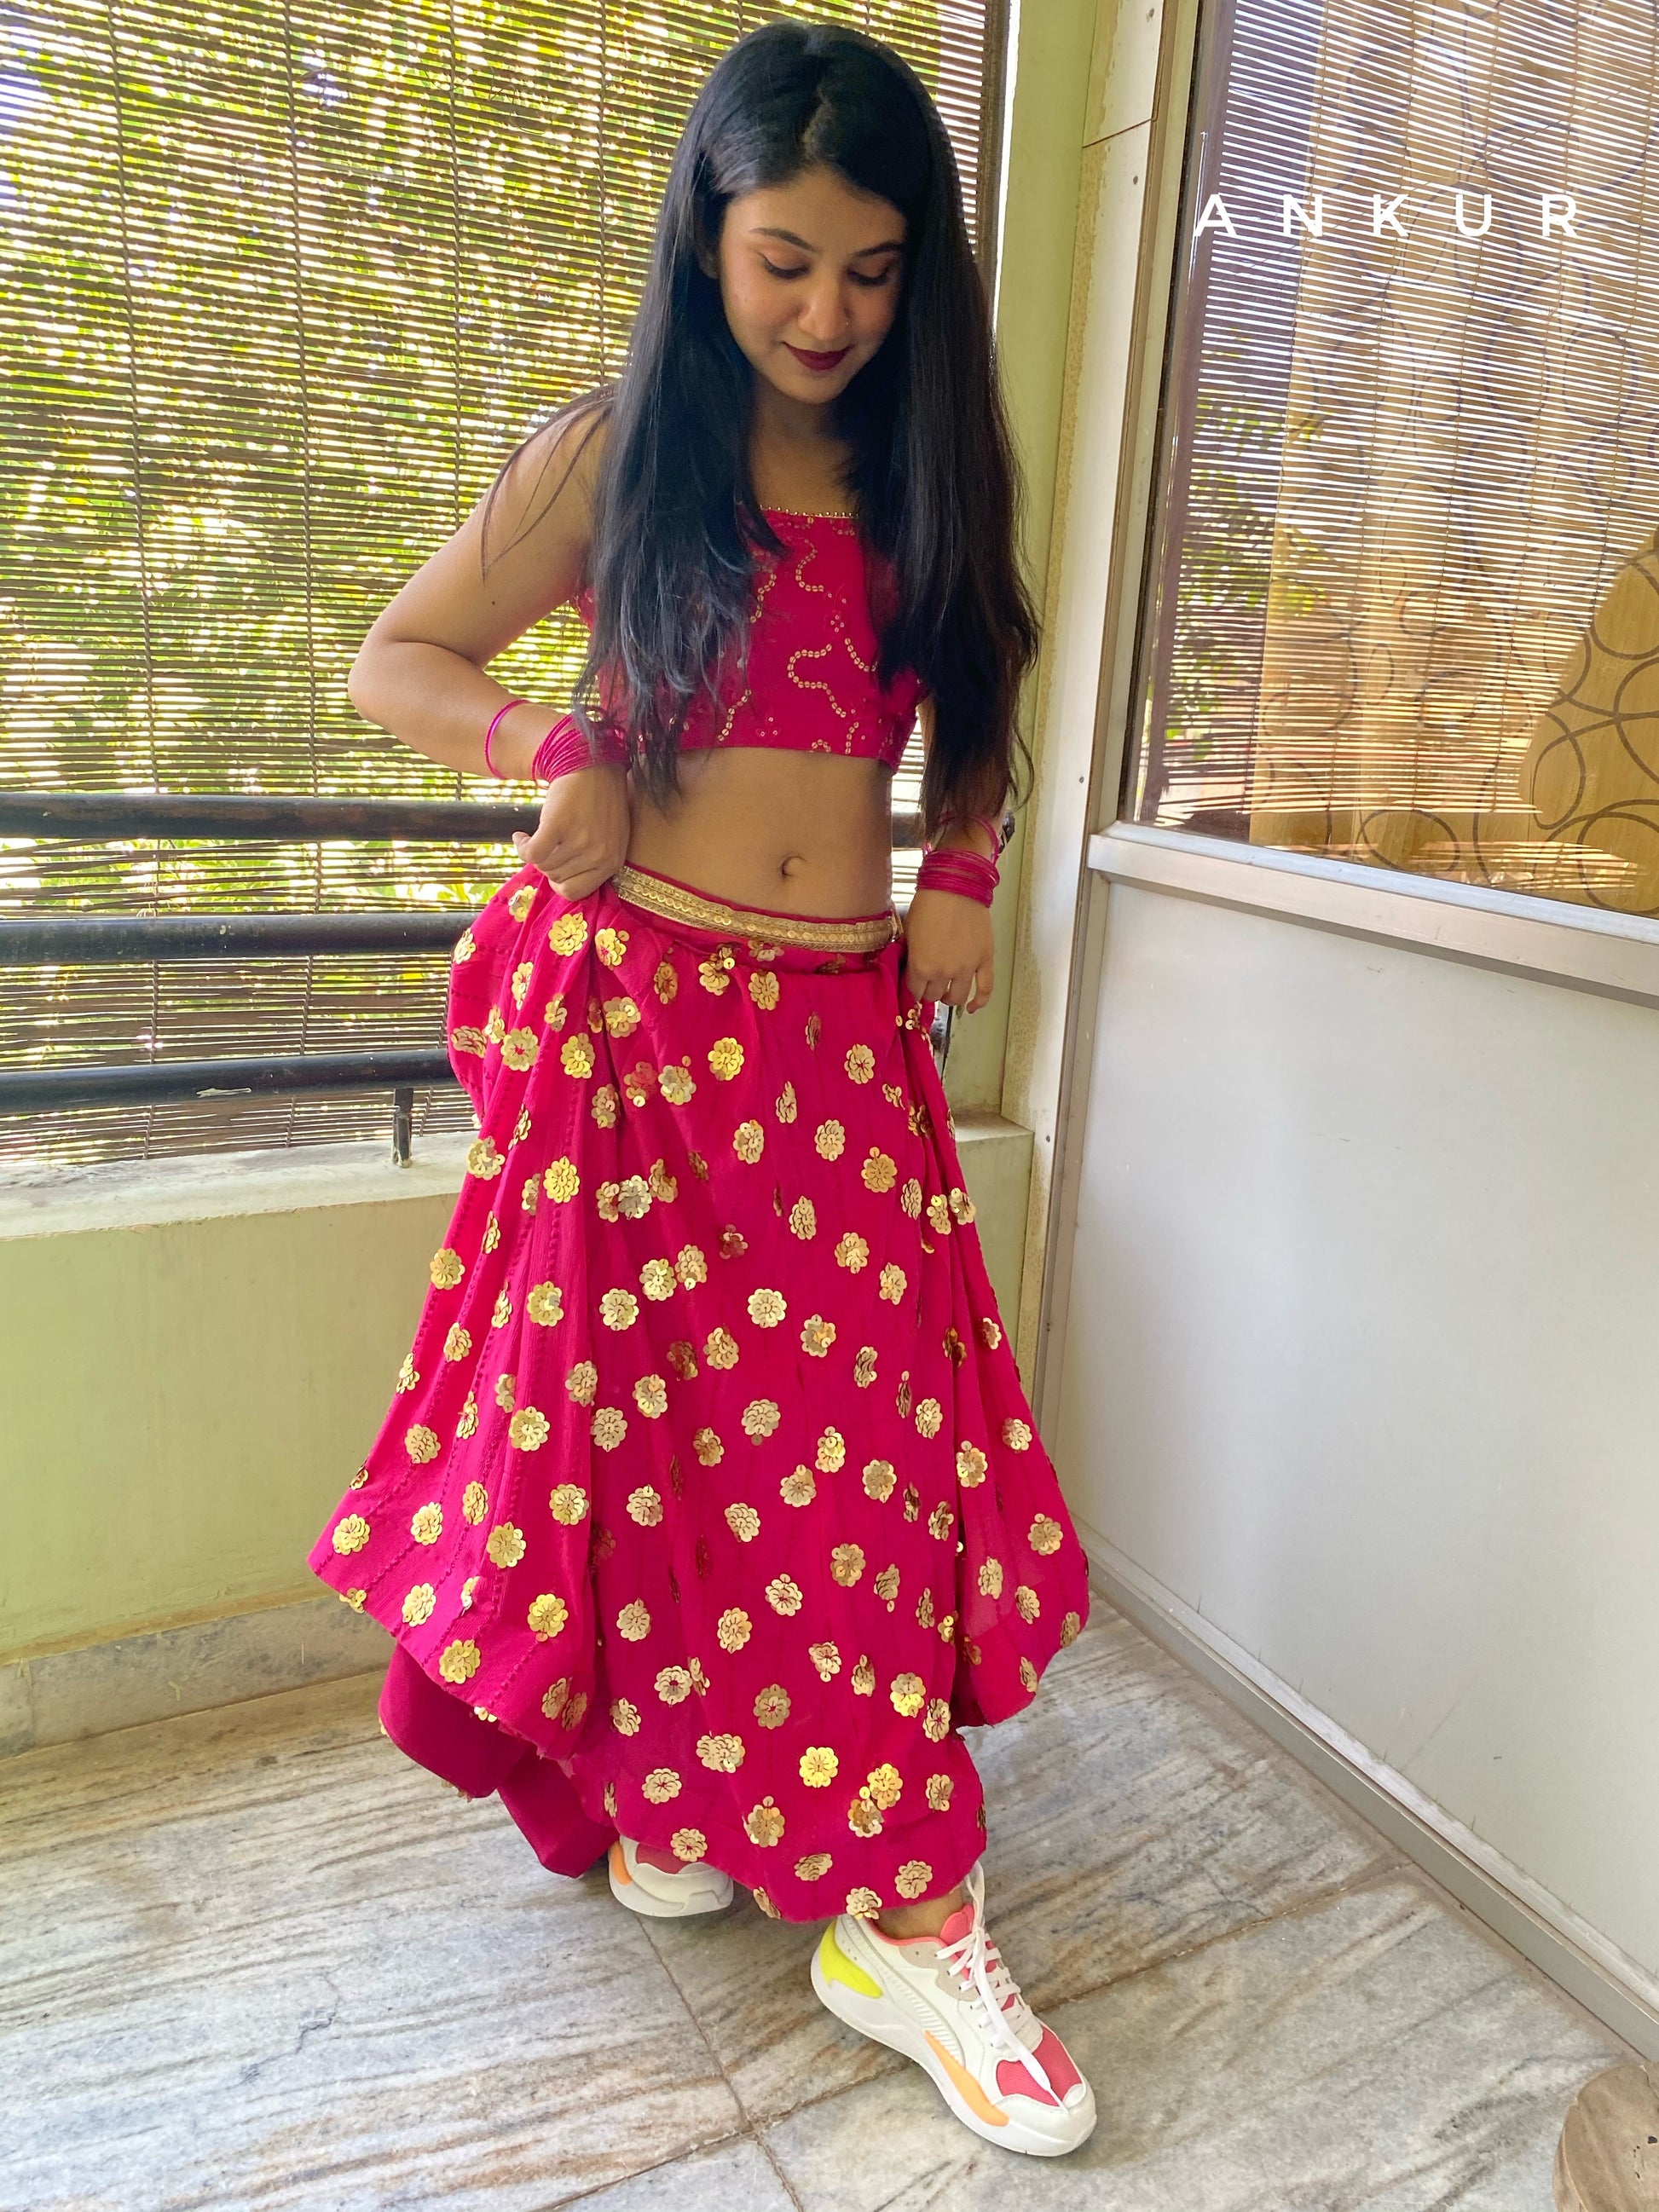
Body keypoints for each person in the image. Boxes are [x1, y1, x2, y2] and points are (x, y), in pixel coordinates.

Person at [309, 19, 1095, 2158]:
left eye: (871, 270)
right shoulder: (614, 452)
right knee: (645, 1438)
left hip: (836, 1034)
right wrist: (545, 749)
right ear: (707, 237)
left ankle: (902, 1909)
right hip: (638, 1024)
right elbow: (398, 656)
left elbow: (986, 691)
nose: (828, 313)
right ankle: (683, 1787)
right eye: (784, 262)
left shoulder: (927, 464)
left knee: (860, 1450)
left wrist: (961, 869)